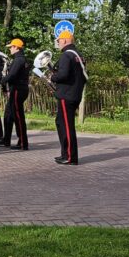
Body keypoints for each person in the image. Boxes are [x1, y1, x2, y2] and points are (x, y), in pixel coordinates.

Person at [51, 30, 87, 165]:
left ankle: (70, 157)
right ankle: (65, 153)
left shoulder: (66, 55)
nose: (58, 43)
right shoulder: (78, 55)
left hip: (66, 95)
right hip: (74, 94)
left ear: (65, 40)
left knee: (66, 126)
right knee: (61, 123)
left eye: (59, 41)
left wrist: (52, 77)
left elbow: (63, 75)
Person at [0, 38, 29, 150]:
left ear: (16, 47)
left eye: (11, 47)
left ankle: (23, 142)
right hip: (18, 89)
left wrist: (1, 80)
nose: (10, 49)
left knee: (18, 117)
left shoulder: (18, 60)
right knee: (8, 115)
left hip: (17, 90)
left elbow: (12, 75)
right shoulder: (21, 59)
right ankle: (6, 139)